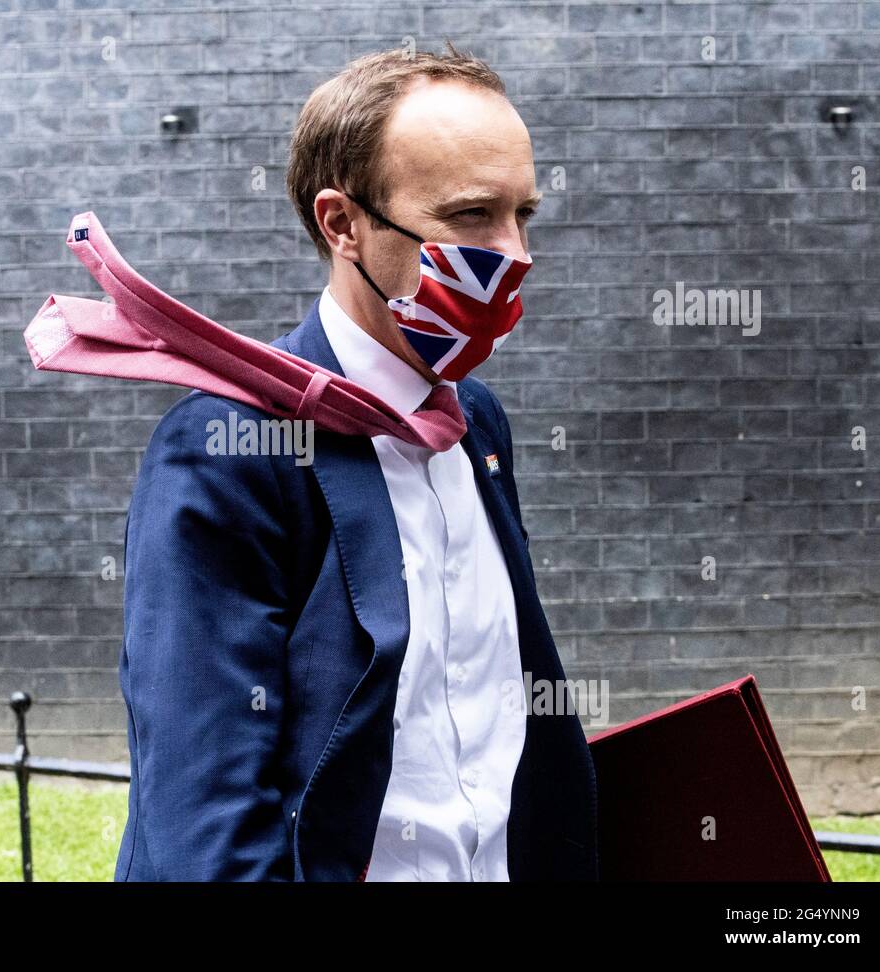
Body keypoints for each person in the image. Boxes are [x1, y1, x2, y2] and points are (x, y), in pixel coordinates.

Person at [115, 42, 598, 882]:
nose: (514, 252)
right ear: (343, 224)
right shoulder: (231, 446)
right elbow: (204, 810)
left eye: (526, 213)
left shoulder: (476, 422)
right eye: (472, 215)